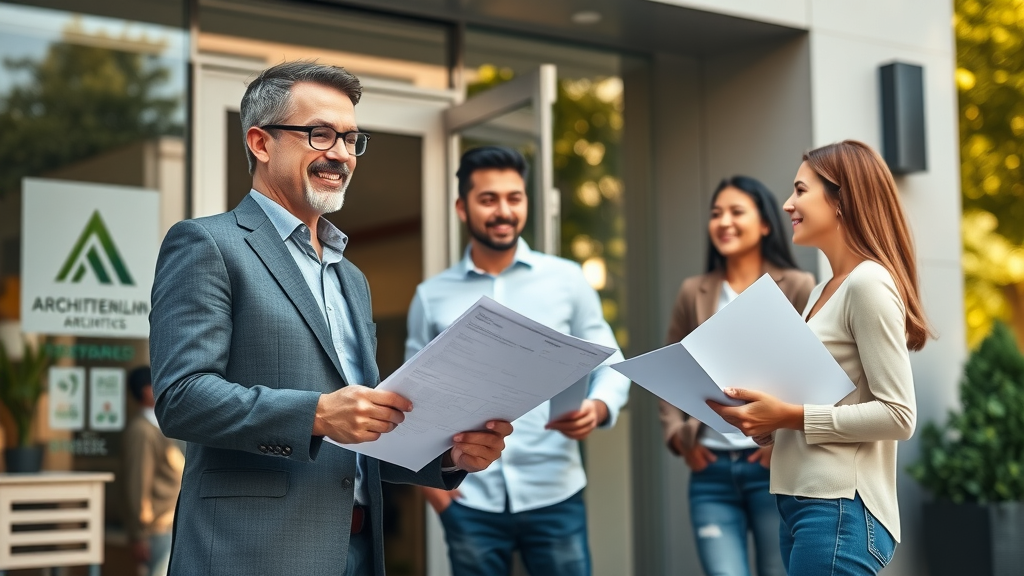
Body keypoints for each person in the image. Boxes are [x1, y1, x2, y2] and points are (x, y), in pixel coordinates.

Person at [149, 61, 512, 576]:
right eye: (320, 134)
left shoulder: (351, 278)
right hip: (251, 556)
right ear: (260, 142)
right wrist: (317, 414)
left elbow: (359, 438)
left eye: (351, 139)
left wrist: (450, 456)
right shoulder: (208, 244)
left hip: (357, 552)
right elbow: (181, 398)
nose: (340, 153)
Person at [405, 146, 631, 576]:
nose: (504, 211)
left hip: (555, 493)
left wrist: (599, 407)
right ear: (462, 207)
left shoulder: (567, 279)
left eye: (515, 198)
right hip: (469, 498)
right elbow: (414, 398)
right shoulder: (431, 296)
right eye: (489, 199)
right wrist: (435, 492)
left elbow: (612, 360)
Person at [708, 140, 928, 575]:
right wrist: (765, 425)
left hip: (839, 509)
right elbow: (821, 404)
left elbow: (899, 415)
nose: (787, 204)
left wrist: (788, 416)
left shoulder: (868, 284)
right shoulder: (820, 292)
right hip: (799, 504)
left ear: (841, 200)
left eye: (800, 190)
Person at [659, 176, 813, 576]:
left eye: (736, 212)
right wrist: (678, 437)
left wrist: (780, 441)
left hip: (773, 467)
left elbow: (809, 370)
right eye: (716, 214)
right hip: (709, 470)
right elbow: (670, 366)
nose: (723, 222)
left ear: (765, 224)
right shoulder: (693, 291)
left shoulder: (798, 286)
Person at [123, 366, 183, 576]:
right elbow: (137, 483)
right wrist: (138, 534)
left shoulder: (159, 425)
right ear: (146, 390)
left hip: (168, 524)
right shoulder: (142, 431)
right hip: (156, 528)